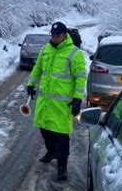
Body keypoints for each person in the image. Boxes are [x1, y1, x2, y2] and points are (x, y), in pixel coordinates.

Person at [26, 22, 87, 181]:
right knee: (44, 130)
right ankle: (50, 151)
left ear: (64, 35)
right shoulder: (45, 49)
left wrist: (77, 99)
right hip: (45, 101)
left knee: (61, 136)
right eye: (52, 35)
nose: (54, 38)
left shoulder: (74, 53)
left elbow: (81, 77)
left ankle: (62, 167)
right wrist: (31, 84)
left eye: (58, 35)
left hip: (62, 103)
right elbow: (38, 68)